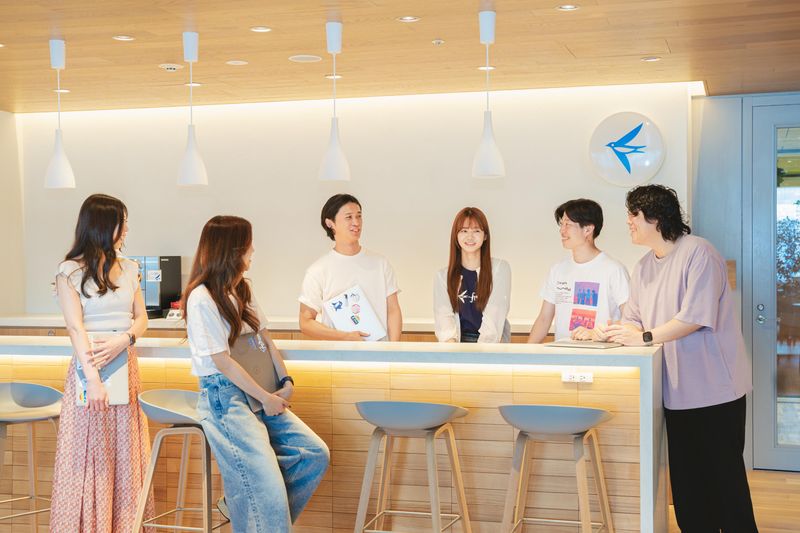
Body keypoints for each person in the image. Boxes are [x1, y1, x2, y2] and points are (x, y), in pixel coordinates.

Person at [605, 184, 757, 532]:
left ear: (656, 217)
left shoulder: (699, 252)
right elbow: (633, 319)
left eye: (633, 215)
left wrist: (643, 336)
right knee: (688, 488)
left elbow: (694, 317)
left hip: (716, 391)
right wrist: (609, 331)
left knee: (725, 483)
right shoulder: (643, 266)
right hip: (675, 394)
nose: (628, 222)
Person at [182, 216, 329, 533]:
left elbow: (265, 340)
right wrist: (265, 398)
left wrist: (285, 381)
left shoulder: (241, 290)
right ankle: (253, 504)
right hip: (226, 398)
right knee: (267, 491)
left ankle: (247, 505)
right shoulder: (201, 298)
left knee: (314, 454)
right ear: (233, 250)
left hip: (259, 389)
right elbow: (222, 362)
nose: (253, 251)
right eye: (248, 245)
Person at [51, 194, 152, 532]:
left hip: (125, 364)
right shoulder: (69, 271)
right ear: (102, 226)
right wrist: (92, 379)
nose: (126, 230)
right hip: (89, 368)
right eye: (122, 223)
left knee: (126, 453)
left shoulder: (131, 268)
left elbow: (141, 318)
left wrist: (126, 339)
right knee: (88, 452)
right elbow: (75, 328)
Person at [299, 194, 402, 340]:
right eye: (349, 217)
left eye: (359, 216)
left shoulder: (381, 263)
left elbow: (393, 310)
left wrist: (393, 348)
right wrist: (345, 336)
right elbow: (305, 323)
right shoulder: (318, 271)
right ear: (330, 223)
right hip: (337, 353)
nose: (356, 222)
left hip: (379, 352)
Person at [528, 198, 629, 343]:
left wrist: (595, 333)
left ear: (588, 229)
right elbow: (544, 319)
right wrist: (527, 351)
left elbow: (630, 319)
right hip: (563, 353)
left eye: (568, 224)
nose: (562, 230)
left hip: (602, 354)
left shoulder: (614, 270)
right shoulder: (558, 270)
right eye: (561, 224)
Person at [433, 207, 511, 343]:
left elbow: (493, 322)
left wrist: (480, 353)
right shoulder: (443, 276)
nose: (470, 237)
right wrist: (452, 350)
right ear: (456, 236)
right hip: (456, 343)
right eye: (464, 231)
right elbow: (445, 322)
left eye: (476, 231)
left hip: (490, 345)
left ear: (485, 236)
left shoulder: (500, 269)